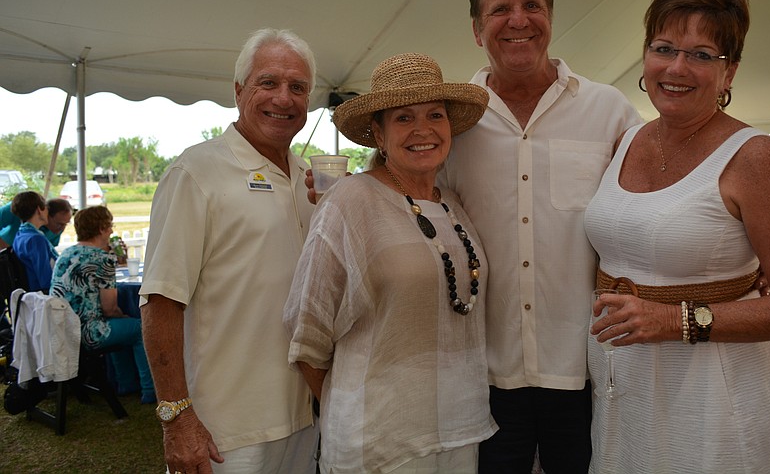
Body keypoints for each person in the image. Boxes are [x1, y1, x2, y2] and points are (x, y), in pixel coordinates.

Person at [584, 0, 770, 473]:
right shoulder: (626, 140)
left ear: (729, 72)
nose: (676, 68)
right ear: (646, 56)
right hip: (625, 379)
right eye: (664, 48)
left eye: (701, 55)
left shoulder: (753, 156)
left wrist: (675, 320)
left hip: (716, 387)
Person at [442, 0, 643, 473]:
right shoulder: (451, 120)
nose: (518, 20)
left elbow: (651, 205)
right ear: (475, 28)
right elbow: (410, 202)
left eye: (532, 4)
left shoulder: (611, 111)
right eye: (500, 9)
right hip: (485, 367)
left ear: (550, 17)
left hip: (586, 365)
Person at [285, 52, 496, 473]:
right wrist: (350, 406)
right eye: (403, 118)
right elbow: (306, 326)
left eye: (434, 115)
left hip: (457, 430)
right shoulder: (350, 201)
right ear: (378, 135)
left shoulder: (450, 204)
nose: (423, 130)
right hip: (379, 440)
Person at [140, 28, 318, 474]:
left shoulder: (309, 180)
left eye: (297, 87)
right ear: (239, 91)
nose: (284, 98)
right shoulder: (196, 172)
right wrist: (176, 416)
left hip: (306, 419)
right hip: (227, 433)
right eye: (269, 82)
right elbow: (161, 300)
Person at [49, 205, 155, 404]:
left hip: (62, 328)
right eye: (110, 226)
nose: (112, 230)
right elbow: (110, 308)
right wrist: (124, 316)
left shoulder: (68, 252)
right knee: (140, 328)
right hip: (87, 331)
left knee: (122, 326)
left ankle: (125, 384)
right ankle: (149, 391)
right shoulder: (102, 259)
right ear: (101, 228)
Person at [10, 191, 57, 292]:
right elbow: (45, 280)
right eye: (46, 207)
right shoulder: (36, 239)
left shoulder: (20, 235)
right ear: (39, 209)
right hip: (41, 297)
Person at [0, 197, 72, 250]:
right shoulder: (19, 209)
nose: (62, 228)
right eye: (59, 224)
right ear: (46, 213)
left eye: (66, 224)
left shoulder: (57, 229)